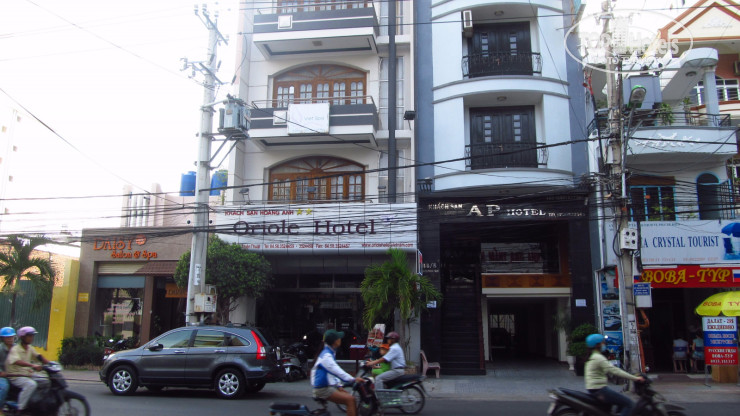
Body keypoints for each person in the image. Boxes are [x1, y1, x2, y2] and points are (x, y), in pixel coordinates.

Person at [584, 334, 644, 416]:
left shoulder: (592, 356)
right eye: (602, 342)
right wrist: (635, 378)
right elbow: (615, 371)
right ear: (597, 345)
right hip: (600, 390)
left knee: (620, 403)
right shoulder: (599, 358)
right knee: (629, 404)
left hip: (594, 389)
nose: (604, 344)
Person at [311, 329, 364, 416]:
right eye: (339, 338)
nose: (340, 339)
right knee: (350, 400)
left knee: (352, 399)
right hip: (322, 389)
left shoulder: (330, 352)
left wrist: (339, 385)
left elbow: (332, 373)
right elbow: (338, 371)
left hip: (326, 387)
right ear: (335, 341)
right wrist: (353, 379)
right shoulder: (326, 356)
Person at [6, 326, 50, 413]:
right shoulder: (15, 349)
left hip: (27, 374)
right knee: (31, 384)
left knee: (45, 381)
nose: (31, 338)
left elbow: (39, 357)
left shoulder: (30, 348)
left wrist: (51, 364)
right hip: (16, 375)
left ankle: (35, 403)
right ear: (22, 337)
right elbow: (17, 361)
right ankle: (20, 408)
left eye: (32, 336)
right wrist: (32, 365)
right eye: (29, 336)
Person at [0, 327, 16, 409]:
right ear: (3, 338)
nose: (10, 339)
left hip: (15, 374)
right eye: (7, 337)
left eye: (11, 337)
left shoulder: (17, 348)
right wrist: (1, 372)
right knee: (4, 387)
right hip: (2, 375)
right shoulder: (0, 349)